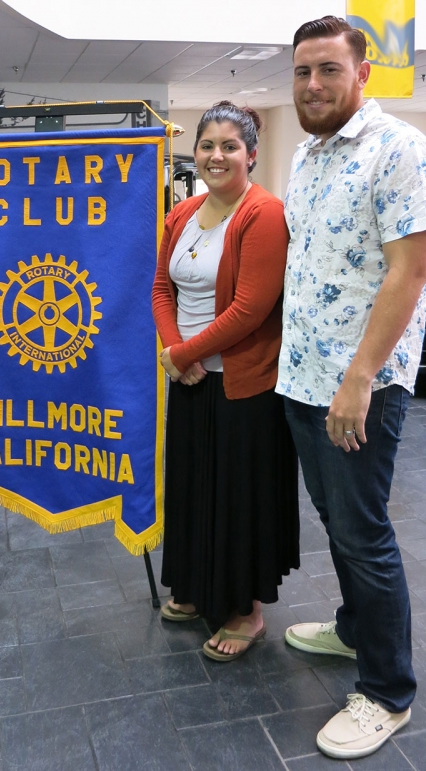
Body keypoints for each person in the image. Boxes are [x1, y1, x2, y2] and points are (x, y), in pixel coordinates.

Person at [278, 16, 426, 759]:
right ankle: (353, 627)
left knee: (363, 532)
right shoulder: (306, 155)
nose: (313, 84)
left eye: (328, 70)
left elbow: (409, 273)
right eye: (303, 71)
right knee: (337, 522)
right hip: (302, 377)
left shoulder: (399, 149)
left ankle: (388, 689)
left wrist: (360, 379)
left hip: (358, 384)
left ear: (363, 73)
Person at [152, 101, 299, 661]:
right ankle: (191, 586)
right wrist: (174, 353)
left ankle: (245, 611)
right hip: (190, 378)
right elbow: (161, 288)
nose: (217, 155)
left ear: (251, 155)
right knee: (192, 488)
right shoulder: (182, 214)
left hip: (243, 384)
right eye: (208, 145)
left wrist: (183, 352)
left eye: (230, 146)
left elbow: (250, 308)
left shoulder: (263, 214)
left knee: (238, 498)